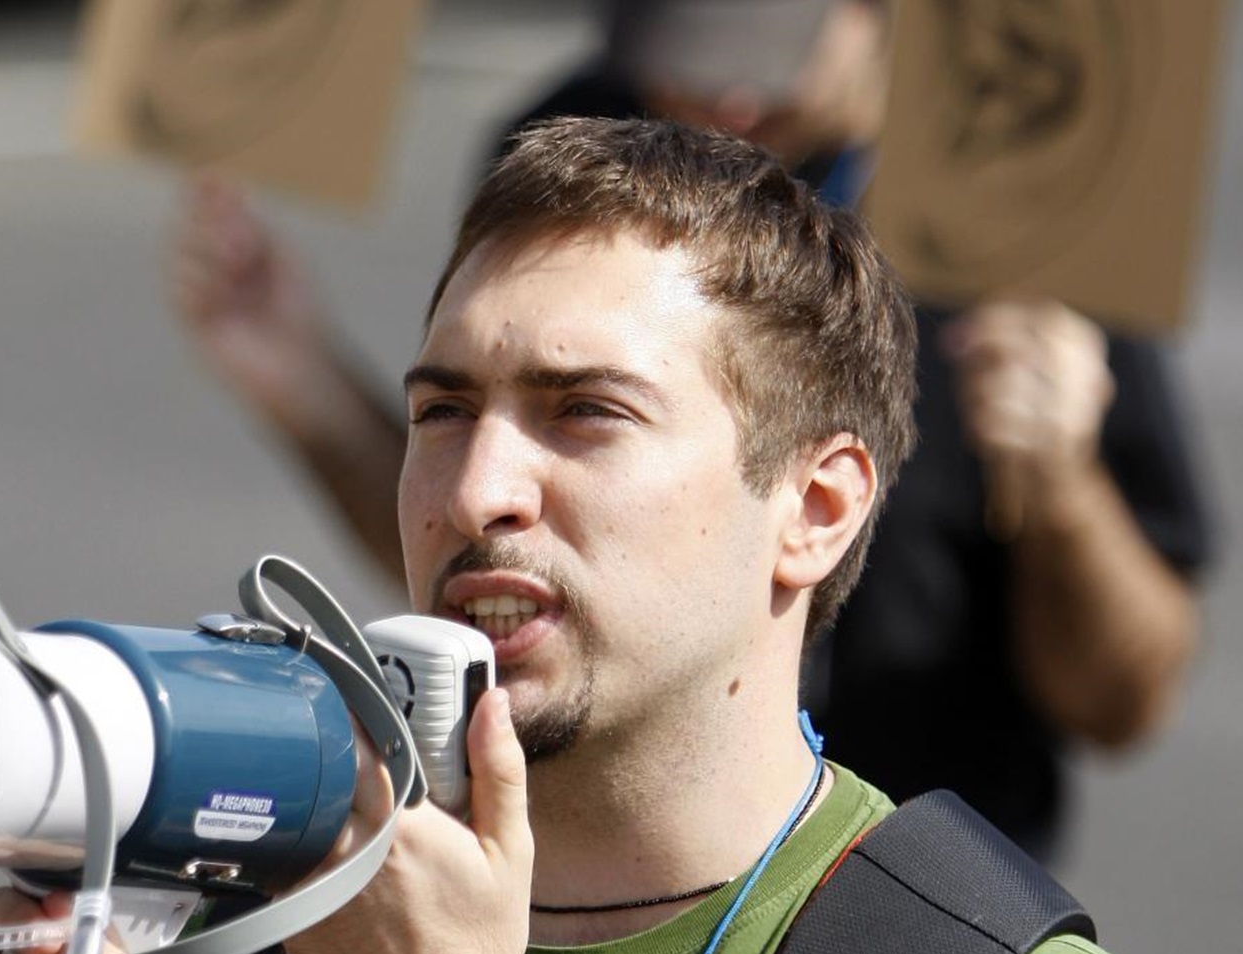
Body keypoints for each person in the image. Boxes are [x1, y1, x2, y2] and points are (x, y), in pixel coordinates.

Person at [0, 116, 1183, 954]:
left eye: (586, 413)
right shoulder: (236, 951)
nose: (473, 489)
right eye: (444, 412)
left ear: (817, 507)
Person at [171, 0, 1214, 861]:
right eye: (678, 54)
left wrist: (1061, 483)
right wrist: (302, 376)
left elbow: (1122, 698)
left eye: (764, 58)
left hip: (918, 882)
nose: (714, 101)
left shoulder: (1028, 183)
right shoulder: (583, 142)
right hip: (609, 879)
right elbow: (493, 548)